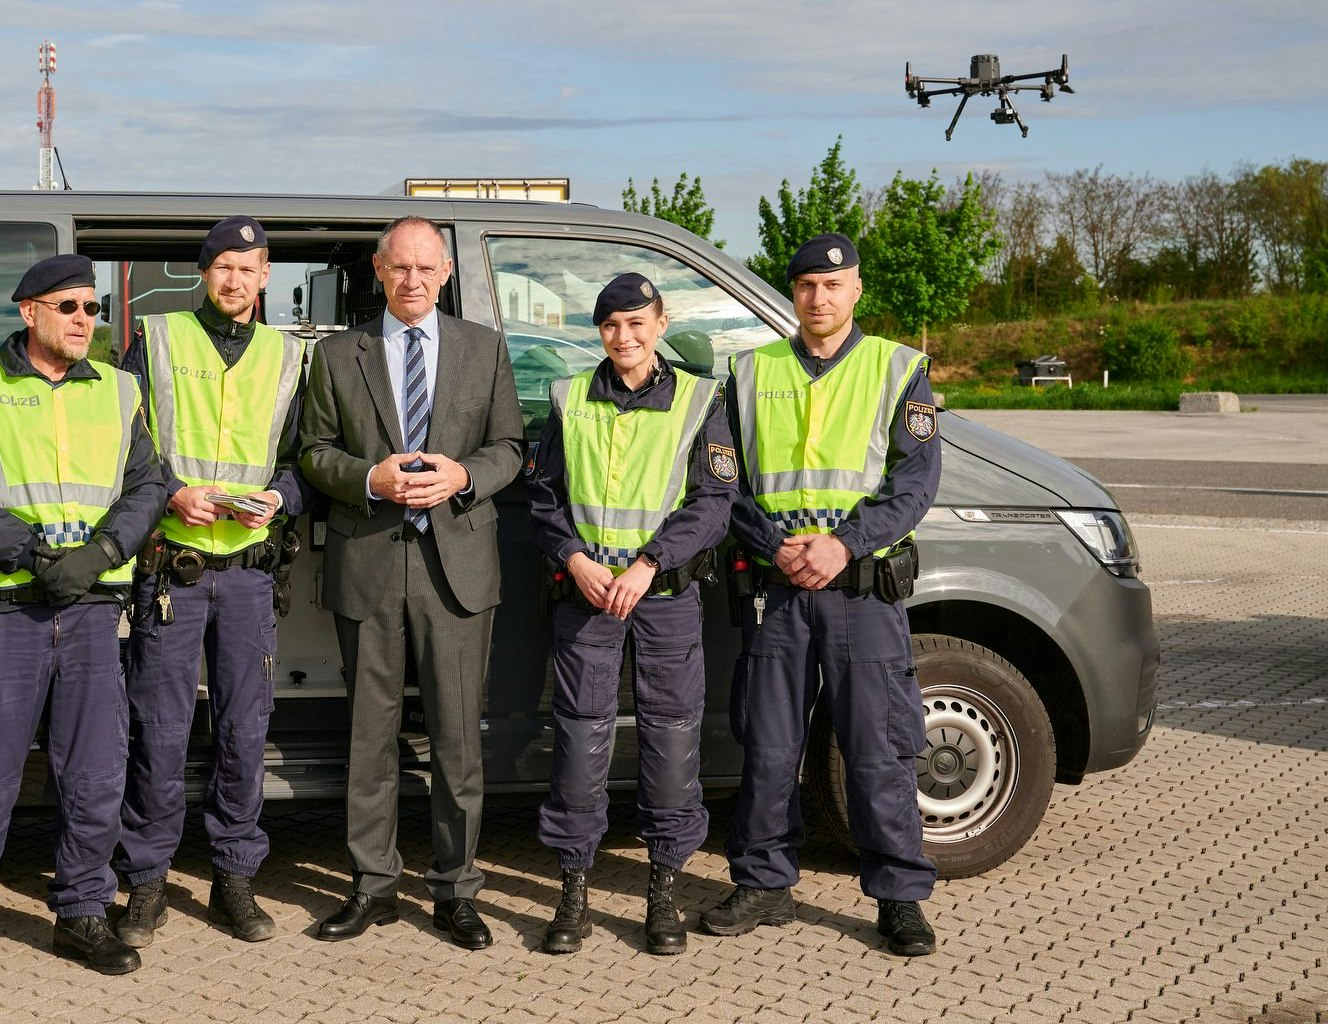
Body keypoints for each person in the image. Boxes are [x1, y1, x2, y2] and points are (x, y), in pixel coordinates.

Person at [0, 254, 167, 983]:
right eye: (70, 307)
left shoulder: (121, 391)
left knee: (93, 774)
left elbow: (149, 484)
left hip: (91, 610)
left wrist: (103, 551)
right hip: (4, 612)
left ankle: (83, 913)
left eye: (93, 308)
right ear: (30, 312)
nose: (86, 320)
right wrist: (30, 551)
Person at [703, 233, 942, 957]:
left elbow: (915, 481)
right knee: (770, 747)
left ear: (856, 291)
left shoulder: (897, 369)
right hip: (777, 591)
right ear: (794, 293)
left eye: (832, 286)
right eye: (806, 285)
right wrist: (771, 543)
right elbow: (723, 482)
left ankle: (899, 895)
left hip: (860, 593)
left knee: (879, 750)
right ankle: (765, 883)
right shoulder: (748, 373)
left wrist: (843, 544)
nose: (819, 297)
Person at [298, 215, 525, 949]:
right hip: (369, 564)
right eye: (401, 268)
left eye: (427, 268)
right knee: (371, 737)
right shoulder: (337, 356)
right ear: (378, 270)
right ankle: (372, 887)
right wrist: (369, 477)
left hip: (456, 569)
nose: (414, 280)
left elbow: (511, 447)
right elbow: (313, 452)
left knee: (459, 741)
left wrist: (465, 474)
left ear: (447, 273)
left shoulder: (483, 350)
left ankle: (457, 891)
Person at [523, 272, 735, 955]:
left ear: (661, 324)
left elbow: (712, 504)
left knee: (671, 742)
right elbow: (546, 497)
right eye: (612, 325)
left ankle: (664, 892)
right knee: (580, 742)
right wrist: (574, 559)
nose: (625, 337)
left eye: (638, 323)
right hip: (586, 595)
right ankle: (573, 891)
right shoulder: (569, 397)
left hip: (663, 595)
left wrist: (648, 563)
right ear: (601, 331)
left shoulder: (702, 402)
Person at [112, 217, 306, 948]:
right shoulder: (156, 340)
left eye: (249, 268)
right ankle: (148, 881)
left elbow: (305, 458)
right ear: (205, 273)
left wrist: (282, 496)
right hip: (173, 570)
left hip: (251, 574)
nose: (235, 281)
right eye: (223, 267)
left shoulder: (289, 358)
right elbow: (121, 440)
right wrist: (167, 495)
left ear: (265, 276)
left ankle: (234, 877)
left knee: (242, 733)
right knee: (158, 731)